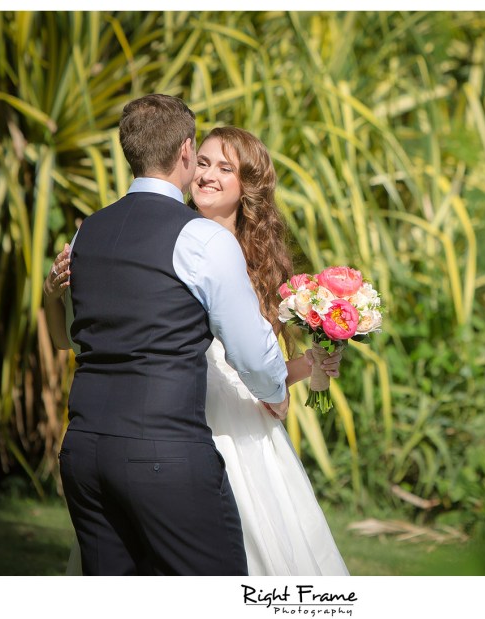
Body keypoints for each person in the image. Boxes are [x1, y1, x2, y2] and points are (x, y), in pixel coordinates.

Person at [57, 126, 349, 576]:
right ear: (187, 160)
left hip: (237, 427)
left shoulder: (256, 262)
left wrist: (308, 366)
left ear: (247, 185)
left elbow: (253, 363)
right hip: (175, 424)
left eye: (225, 167)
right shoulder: (168, 238)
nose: (208, 175)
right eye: (205, 162)